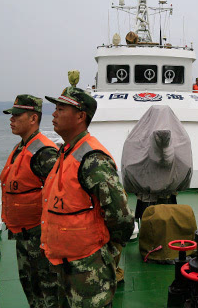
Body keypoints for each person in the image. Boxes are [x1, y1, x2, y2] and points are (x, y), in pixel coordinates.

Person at [42, 85, 134, 308]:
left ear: (81, 116)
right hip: (63, 264)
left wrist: (106, 251)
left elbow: (121, 217)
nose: (54, 113)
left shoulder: (92, 159)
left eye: (62, 108)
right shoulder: (66, 151)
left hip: (88, 270)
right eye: (55, 108)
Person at [0, 94, 59, 308]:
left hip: (39, 239)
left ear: (33, 118)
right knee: (31, 290)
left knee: (48, 292)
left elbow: (60, 191)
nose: (11, 119)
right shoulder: (20, 148)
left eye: (17, 115)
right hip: (23, 237)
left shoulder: (43, 152)